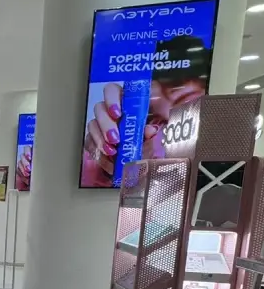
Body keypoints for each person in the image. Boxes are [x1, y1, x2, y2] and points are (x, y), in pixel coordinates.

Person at [81, 36, 211, 187]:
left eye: (194, 72)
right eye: (166, 75)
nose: (181, 85)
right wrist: (102, 169)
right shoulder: (146, 134)